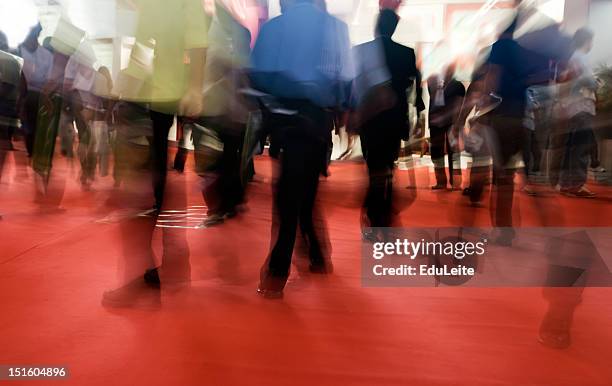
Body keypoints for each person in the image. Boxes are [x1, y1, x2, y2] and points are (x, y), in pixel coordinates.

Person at [251, 0, 353, 298]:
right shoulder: (336, 29)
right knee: (305, 187)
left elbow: (258, 76)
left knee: (287, 193)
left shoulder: (274, 29)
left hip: (285, 120)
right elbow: (345, 79)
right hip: (318, 120)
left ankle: (278, 270)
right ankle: (316, 254)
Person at [352, 9, 424, 234]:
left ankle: (376, 214)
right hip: (395, 117)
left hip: (371, 118)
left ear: (376, 27)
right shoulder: (406, 53)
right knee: (389, 165)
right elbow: (415, 85)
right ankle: (385, 211)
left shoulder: (361, 51)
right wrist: (418, 112)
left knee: (373, 166)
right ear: (394, 28)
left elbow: (354, 85)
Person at [558, 28, 598, 198]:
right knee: (581, 147)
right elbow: (590, 82)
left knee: (572, 147)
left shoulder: (572, 58)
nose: (592, 44)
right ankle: (575, 184)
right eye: (591, 41)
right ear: (586, 41)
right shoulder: (581, 58)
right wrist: (597, 82)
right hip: (581, 107)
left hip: (573, 108)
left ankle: (566, 183)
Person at [17, 24, 53, 158]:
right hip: (23, 95)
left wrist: (44, 95)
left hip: (39, 96)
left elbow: (49, 82)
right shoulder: (18, 51)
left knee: (36, 127)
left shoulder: (46, 55)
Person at [427, 63, 465, 190]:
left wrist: (456, 124)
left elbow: (459, 105)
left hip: (451, 123)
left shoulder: (458, 86)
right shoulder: (434, 83)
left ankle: (456, 182)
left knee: (453, 153)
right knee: (436, 152)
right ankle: (441, 182)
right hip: (435, 122)